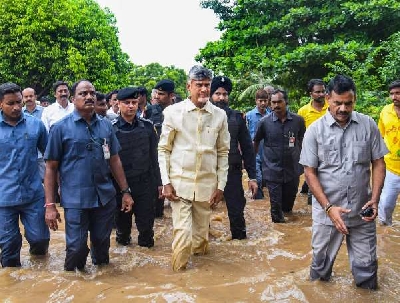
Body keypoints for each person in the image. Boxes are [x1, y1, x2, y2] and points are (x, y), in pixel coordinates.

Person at [299, 74, 387, 289]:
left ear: (354, 100)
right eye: (338, 103)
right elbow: (309, 172)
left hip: (362, 212)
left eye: (348, 103)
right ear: (328, 98)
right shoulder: (315, 131)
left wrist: (375, 200)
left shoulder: (368, 125)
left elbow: (378, 163)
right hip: (327, 213)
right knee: (320, 271)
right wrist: (329, 208)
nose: (343, 109)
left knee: (367, 270)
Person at [44, 80, 133, 271]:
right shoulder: (60, 128)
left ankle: (100, 289)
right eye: (83, 94)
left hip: (104, 197)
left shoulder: (106, 126)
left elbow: (115, 160)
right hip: (75, 199)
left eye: (92, 93)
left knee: (102, 246)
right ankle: (73, 285)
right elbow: (51, 167)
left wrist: (125, 191)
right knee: (76, 248)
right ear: (73, 98)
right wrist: (50, 205)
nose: (89, 97)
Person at [158, 65, 230, 271]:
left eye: (207, 85)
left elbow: (223, 152)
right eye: (199, 85)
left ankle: (200, 278)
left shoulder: (219, 116)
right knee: (182, 234)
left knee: (200, 238)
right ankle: (179, 278)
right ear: (189, 86)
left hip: (207, 186)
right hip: (180, 184)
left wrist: (221, 186)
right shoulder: (172, 113)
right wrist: (166, 182)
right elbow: (164, 149)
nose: (204, 90)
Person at [0, 82, 50, 267]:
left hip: (33, 195)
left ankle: (38, 280)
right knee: (9, 246)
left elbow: (50, 158)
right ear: (0, 104)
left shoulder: (36, 125)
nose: (16, 107)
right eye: (10, 103)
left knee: (40, 241)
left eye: (19, 102)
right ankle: (13, 287)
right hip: (3, 199)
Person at [112, 87, 162, 247]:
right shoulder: (110, 129)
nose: (131, 106)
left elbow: (155, 157)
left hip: (145, 184)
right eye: (127, 103)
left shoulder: (147, 127)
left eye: (134, 102)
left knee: (147, 228)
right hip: (120, 186)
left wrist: (160, 183)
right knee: (123, 231)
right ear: (118, 104)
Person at [210, 76, 257, 239]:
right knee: (201, 213)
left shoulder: (237, 118)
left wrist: (252, 177)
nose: (221, 97)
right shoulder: (201, 116)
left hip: (232, 172)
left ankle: (239, 241)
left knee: (236, 211)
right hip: (206, 172)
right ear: (210, 95)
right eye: (217, 93)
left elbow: (247, 148)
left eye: (225, 94)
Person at [254, 89, 305, 223]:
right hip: (272, 170)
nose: (276, 105)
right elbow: (256, 141)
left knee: (288, 208)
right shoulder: (264, 122)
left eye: (279, 102)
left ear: (286, 102)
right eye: (273, 102)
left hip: (293, 170)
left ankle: (288, 236)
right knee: (276, 211)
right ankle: (279, 233)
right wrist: (251, 163)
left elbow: (302, 140)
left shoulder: (298, 121)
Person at [146, 79, 175, 218]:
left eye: (161, 94)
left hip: (175, 159)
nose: (157, 96)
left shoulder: (180, 111)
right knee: (155, 209)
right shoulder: (150, 111)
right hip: (156, 159)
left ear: (171, 96)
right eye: (156, 93)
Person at [297, 79, 328, 202]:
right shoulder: (303, 111)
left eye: (323, 91)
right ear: (311, 94)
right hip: (312, 151)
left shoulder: (332, 107)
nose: (321, 94)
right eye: (317, 92)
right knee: (312, 180)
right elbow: (300, 134)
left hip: (331, 150)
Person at [377, 80, 400, 226]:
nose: (394, 97)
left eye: (398, 93)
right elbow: (380, 136)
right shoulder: (385, 111)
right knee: (385, 205)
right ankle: (385, 233)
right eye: (392, 94)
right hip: (392, 167)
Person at [246, 88, 272, 199]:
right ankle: (256, 203)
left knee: (269, 182)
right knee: (258, 180)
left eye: (265, 100)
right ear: (256, 101)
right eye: (260, 100)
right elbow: (245, 135)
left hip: (268, 154)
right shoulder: (249, 116)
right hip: (254, 153)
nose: (263, 103)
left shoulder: (271, 115)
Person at [22, 87, 46, 180]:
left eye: (31, 96)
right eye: (26, 96)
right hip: (26, 152)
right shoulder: (19, 113)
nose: (28, 98)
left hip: (42, 153)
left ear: (35, 97)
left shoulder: (44, 111)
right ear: (23, 98)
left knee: (44, 179)